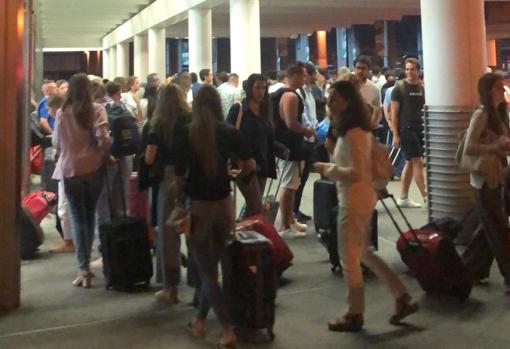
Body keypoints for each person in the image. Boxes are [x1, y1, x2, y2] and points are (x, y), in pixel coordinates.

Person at [313, 80, 418, 332]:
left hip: (353, 199)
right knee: (363, 252)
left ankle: (354, 313)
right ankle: (401, 296)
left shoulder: (352, 133)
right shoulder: (357, 129)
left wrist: (327, 168)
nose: (329, 101)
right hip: (361, 197)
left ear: (348, 102)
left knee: (349, 257)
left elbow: (356, 172)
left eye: (335, 98)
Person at [174, 85, 256, 348]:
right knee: (214, 266)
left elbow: (179, 175)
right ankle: (199, 321)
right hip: (224, 204)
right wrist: (233, 174)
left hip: (198, 206)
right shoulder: (229, 131)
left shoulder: (186, 131)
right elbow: (250, 165)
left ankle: (226, 330)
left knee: (207, 272)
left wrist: (178, 201)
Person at [52, 73, 111, 288]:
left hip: (70, 170)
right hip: (93, 167)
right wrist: (104, 152)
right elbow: (103, 138)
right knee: (90, 214)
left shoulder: (62, 112)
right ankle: (86, 263)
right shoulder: (96, 109)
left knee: (78, 218)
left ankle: (83, 268)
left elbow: (57, 142)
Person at [462, 72, 510, 292]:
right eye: (499, 86)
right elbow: (469, 147)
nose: (503, 88)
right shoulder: (481, 115)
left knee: (488, 227)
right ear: (489, 90)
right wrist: (495, 146)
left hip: (497, 175)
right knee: (498, 228)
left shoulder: (500, 113)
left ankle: (470, 270)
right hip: (483, 179)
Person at [145, 83, 191, 303]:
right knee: (193, 228)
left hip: (168, 177)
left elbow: (150, 158)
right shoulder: (190, 121)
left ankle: (170, 288)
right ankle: (197, 281)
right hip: (191, 175)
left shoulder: (158, 124)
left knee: (168, 233)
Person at [273, 63, 317, 237]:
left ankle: (290, 219)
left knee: (292, 184)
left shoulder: (281, 93)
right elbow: (291, 123)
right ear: (295, 75)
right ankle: (285, 224)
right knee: (289, 185)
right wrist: (308, 131)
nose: (305, 78)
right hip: (290, 145)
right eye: (303, 75)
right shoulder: (291, 96)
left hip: (286, 144)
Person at [226, 73, 279, 214]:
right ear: (250, 88)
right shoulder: (239, 109)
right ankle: (247, 232)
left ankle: (248, 232)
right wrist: (236, 158)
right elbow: (227, 136)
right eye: (257, 88)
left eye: (263, 88)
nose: (261, 91)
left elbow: (268, 137)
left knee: (254, 205)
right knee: (255, 204)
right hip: (244, 164)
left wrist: (280, 148)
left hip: (262, 162)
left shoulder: (266, 109)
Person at [390, 58, 426, 207]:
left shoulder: (422, 87)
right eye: (407, 69)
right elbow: (393, 113)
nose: (409, 72)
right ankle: (427, 196)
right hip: (406, 129)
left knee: (409, 162)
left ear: (418, 70)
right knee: (418, 161)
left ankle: (403, 197)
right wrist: (395, 134)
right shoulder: (398, 88)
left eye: (412, 69)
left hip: (420, 129)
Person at [354, 56, 382, 126]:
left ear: (369, 70)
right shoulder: (345, 84)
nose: (360, 71)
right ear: (354, 69)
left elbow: (378, 111)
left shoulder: (374, 89)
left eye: (363, 68)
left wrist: (372, 123)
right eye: (358, 68)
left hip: (365, 129)